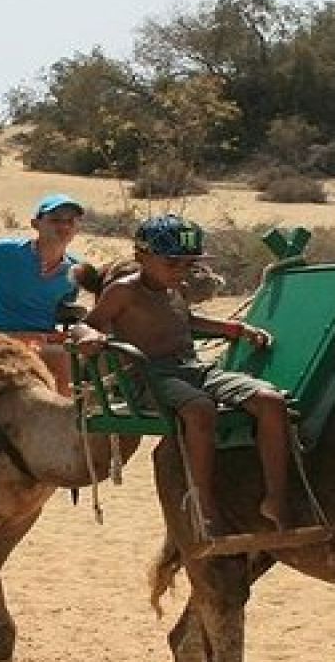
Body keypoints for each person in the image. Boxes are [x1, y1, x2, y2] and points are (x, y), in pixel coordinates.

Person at [75, 213, 322, 543]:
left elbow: (187, 321)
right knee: (199, 409)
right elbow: (87, 323)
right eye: (172, 263)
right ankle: (203, 505)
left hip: (192, 369)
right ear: (142, 257)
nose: (181, 271)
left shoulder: (176, 289)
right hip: (148, 375)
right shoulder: (123, 291)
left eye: (188, 264)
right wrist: (89, 337)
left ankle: (276, 498)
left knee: (271, 401)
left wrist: (234, 329)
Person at [0, 192, 85, 392]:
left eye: (70, 221)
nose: (64, 227)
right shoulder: (6, 251)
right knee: (62, 358)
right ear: (35, 224)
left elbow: (62, 308)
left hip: (43, 337)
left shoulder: (75, 270)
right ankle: (66, 413)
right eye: (55, 220)